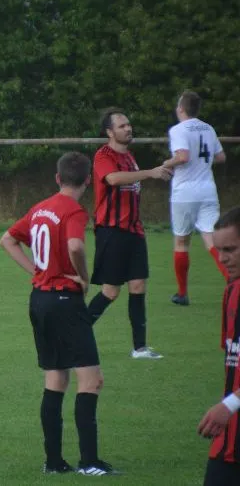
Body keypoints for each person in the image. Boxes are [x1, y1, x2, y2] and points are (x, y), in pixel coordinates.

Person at [0, 152, 117, 476]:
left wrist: (36, 271)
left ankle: (54, 462)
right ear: (88, 181)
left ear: (57, 178)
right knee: (91, 380)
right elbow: (76, 246)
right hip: (65, 300)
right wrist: (84, 277)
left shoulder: (40, 208)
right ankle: (89, 462)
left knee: (56, 379)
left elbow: (7, 240)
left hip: (39, 299)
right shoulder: (74, 210)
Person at [87, 108, 171, 359]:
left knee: (138, 285)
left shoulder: (130, 157)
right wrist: (151, 172)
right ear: (109, 132)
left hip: (134, 230)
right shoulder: (103, 155)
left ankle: (140, 348)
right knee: (111, 291)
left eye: (128, 124)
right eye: (122, 126)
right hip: (112, 231)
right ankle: (74, 335)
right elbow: (113, 179)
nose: (128, 128)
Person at [162, 91, 228, 305]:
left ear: (181, 108)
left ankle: (182, 294)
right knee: (212, 240)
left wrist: (167, 163)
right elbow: (220, 157)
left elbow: (182, 156)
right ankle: (234, 283)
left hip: (185, 193)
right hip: (208, 190)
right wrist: (203, 163)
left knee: (182, 241)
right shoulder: (208, 128)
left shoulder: (178, 130)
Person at [197, 206, 240, 486]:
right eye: (219, 250)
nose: (222, 259)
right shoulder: (232, 291)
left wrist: (230, 404)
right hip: (230, 439)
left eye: (230, 250)